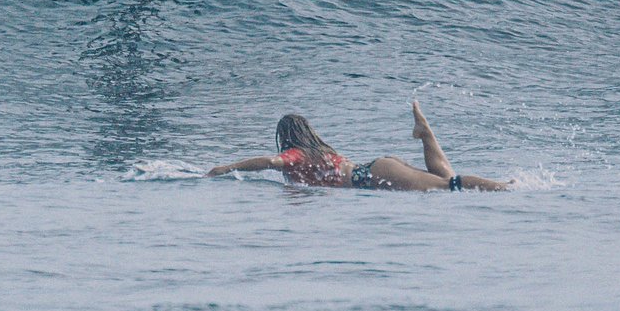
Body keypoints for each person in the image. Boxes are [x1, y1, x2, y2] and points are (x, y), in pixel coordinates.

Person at [206, 102, 511, 191]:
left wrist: (228, 167)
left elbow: (271, 163)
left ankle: (502, 187)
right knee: (445, 181)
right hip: (377, 169)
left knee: (450, 186)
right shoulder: (320, 151)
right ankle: (425, 133)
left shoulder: (298, 155)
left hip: (374, 176)